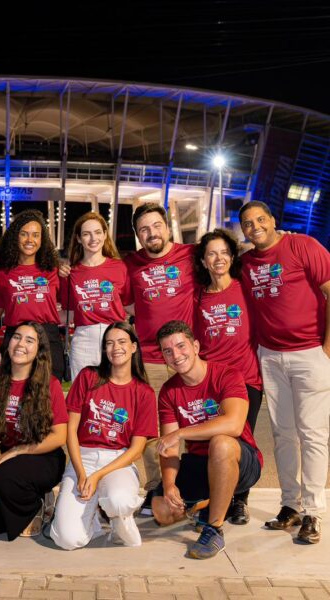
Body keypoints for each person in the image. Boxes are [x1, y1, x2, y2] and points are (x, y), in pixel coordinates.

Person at [239, 200, 330, 544]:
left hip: (310, 353)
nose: (256, 227)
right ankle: (290, 505)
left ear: (273, 220)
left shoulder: (302, 245)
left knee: (313, 434)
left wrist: (327, 348)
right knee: (283, 434)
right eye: (248, 223)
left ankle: (313, 512)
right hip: (271, 356)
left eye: (260, 219)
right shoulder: (246, 263)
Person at [152, 320, 262, 560]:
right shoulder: (169, 391)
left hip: (240, 460)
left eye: (181, 346)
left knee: (220, 443)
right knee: (161, 511)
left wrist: (181, 432)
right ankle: (207, 504)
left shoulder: (227, 374)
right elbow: (169, 448)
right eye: (167, 351)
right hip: (200, 462)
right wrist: (170, 485)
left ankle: (213, 529)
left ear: (196, 346)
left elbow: (233, 424)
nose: (176, 355)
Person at [50, 322, 157, 550]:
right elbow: (71, 430)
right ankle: (93, 519)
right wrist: (81, 473)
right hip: (83, 458)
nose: (115, 348)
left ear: (134, 347)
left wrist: (98, 476)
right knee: (67, 540)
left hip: (118, 461)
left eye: (122, 342)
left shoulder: (144, 392)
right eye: (109, 343)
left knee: (119, 501)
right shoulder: (88, 376)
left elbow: (137, 449)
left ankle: (118, 519)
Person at [124, 202, 197, 515]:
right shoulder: (131, 264)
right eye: (144, 229)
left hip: (188, 357)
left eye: (156, 226)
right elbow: (126, 304)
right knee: (153, 428)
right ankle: (157, 485)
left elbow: (229, 258)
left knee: (194, 423)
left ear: (167, 227)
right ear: (137, 235)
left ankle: (193, 486)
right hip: (151, 358)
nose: (151, 233)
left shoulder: (191, 255)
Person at [193, 228, 263, 525]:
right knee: (214, 441)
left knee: (241, 440)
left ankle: (240, 501)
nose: (218, 258)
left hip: (245, 379)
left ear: (232, 257)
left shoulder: (245, 287)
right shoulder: (198, 297)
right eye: (211, 254)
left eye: (224, 252)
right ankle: (216, 497)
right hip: (212, 382)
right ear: (203, 261)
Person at [0, 321, 68, 540]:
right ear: (8, 342)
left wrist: (17, 451)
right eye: (17, 337)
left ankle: (37, 504)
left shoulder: (50, 383)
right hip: (8, 459)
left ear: (38, 350)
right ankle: (33, 498)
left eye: (29, 340)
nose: (20, 344)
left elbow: (59, 436)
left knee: (3, 478)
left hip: (44, 456)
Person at [58, 212, 132, 380]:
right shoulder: (70, 273)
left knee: (116, 389)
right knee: (83, 391)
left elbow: (129, 304)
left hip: (115, 336)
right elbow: (68, 313)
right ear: (78, 239)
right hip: (83, 339)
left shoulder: (119, 267)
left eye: (98, 232)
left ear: (105, 235)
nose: (93, 238)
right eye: (86, 234)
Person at [0, 210, 64, 380]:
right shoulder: (2, 274)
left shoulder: (53, 271)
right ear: (15, 237)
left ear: (42, 239)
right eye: (24, 234)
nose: (30, 240)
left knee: (50, 389)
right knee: (15, 390)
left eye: (35, 235)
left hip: (47, 337)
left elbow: (71, 306)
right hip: (16, 337)